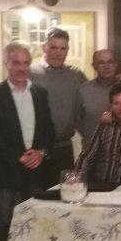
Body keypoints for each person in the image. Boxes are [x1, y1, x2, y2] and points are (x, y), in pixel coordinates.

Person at [0, 42, 55, 241]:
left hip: (34, 169)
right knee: (1, 222)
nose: (22, 68)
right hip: (4, 169)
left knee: (33, 220)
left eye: (26, 63)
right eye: (16, 63)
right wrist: (16, 156)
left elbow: (48, 129)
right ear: (7, 64)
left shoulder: (40, 93)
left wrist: (41, 152)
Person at [30, 28, 87, 188]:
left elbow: (95, 91)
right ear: (44, 47)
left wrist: (120, 81)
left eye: (63, 48)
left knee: (64, 195)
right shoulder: (30, 73)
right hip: (35, 149)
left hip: (63, 149)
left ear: (67, 50)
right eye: (54, 47)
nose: (58, 53)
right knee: (35, 196)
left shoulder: (76, 75)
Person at [75, 83, 121, 188]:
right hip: (100, 186)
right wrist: (77, 176)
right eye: (116, 103)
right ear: (111, 106)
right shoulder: (105, 126)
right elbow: (88, 155)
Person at [75, 49, 120, 145]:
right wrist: (91, 135)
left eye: (110, 62)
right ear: (94, 66)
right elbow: (77, 120)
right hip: (91, 148)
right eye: (101, 63)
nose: (106, 66)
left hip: (120, 148)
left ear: (116, 64)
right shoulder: (84, 90)